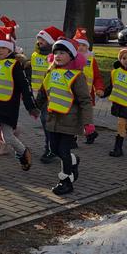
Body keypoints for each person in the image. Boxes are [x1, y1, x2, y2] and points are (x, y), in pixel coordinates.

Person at [0, 24, 39, 178]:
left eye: (2, 48)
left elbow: (25, 87)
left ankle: (24, 152)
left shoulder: (14, 65)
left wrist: (31, 106)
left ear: (10, 49)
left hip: (7, 106)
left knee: (8, 136)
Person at [35, 38, 93, 195]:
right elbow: (43, 92)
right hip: (53, 119)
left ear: (72, 56)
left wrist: (88, 123)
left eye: (62, 53)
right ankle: (74, 161)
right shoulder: (51, 72)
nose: (58, 56)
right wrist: (35, 108)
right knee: (54, 149)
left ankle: (66, 181)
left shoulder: (76, 76)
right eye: (55, 53)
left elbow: (85, 101)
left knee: (63, 151)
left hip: (70, 121)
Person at [24, 26, 64, 163]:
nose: (39, 41)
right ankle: (53, 147)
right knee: (44, 121)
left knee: (48, 122)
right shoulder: (35, 55)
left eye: (43, 39)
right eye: (38, 39)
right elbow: (31, 71)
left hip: (51, 95)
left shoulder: (54, 57)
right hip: (38, 94)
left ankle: (51, 149)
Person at [73, 28, 105, 144]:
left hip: (87, 95)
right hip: (72, 94)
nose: (80, 47)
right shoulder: (70, 59)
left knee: (85, 116)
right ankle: (73, 139)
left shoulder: (91, 60)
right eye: (78, 45)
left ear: (87, 47)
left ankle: (90, 133)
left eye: (83, 45)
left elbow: (97, 77)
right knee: (74, 116)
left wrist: (100, 88)